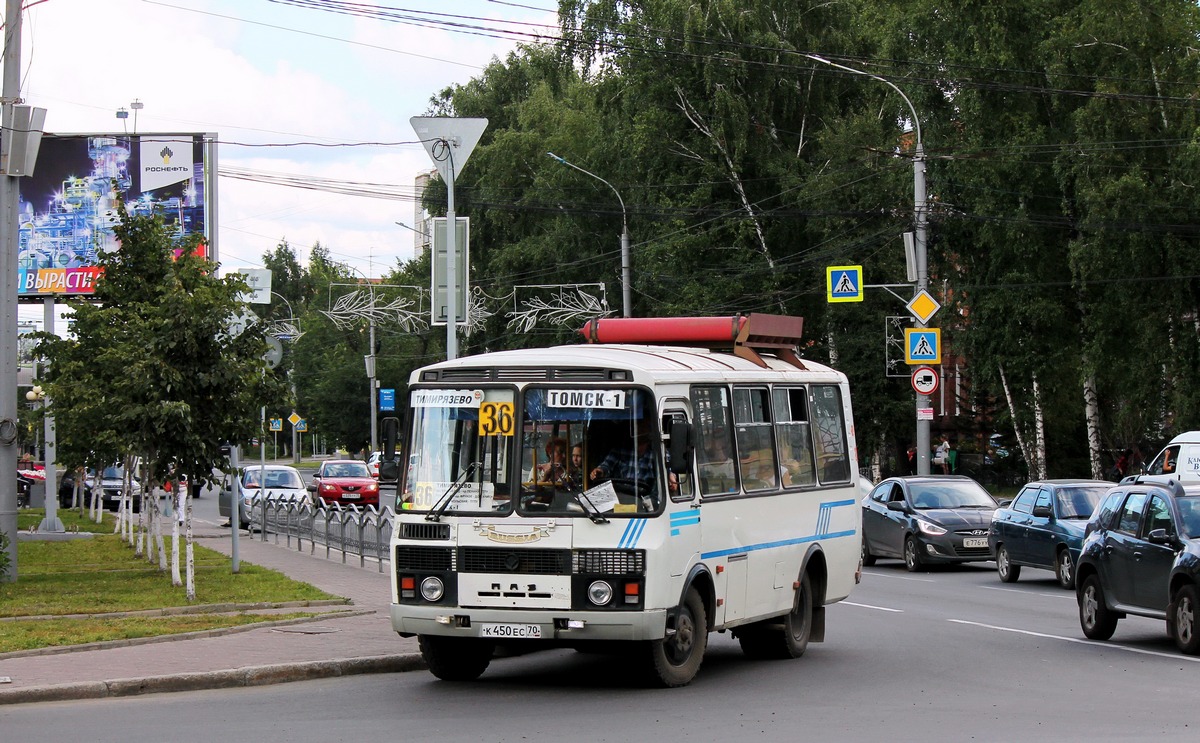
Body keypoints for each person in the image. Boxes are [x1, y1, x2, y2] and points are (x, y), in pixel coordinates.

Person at [590, 420, 658, 493]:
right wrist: (600, 471)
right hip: (622, 497)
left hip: (647, 499)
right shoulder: (620, 449)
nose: (640, 428)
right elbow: (607, 465)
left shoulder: (657, 452)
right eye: (637, 425)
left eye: (643, 425)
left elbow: (666, 470)